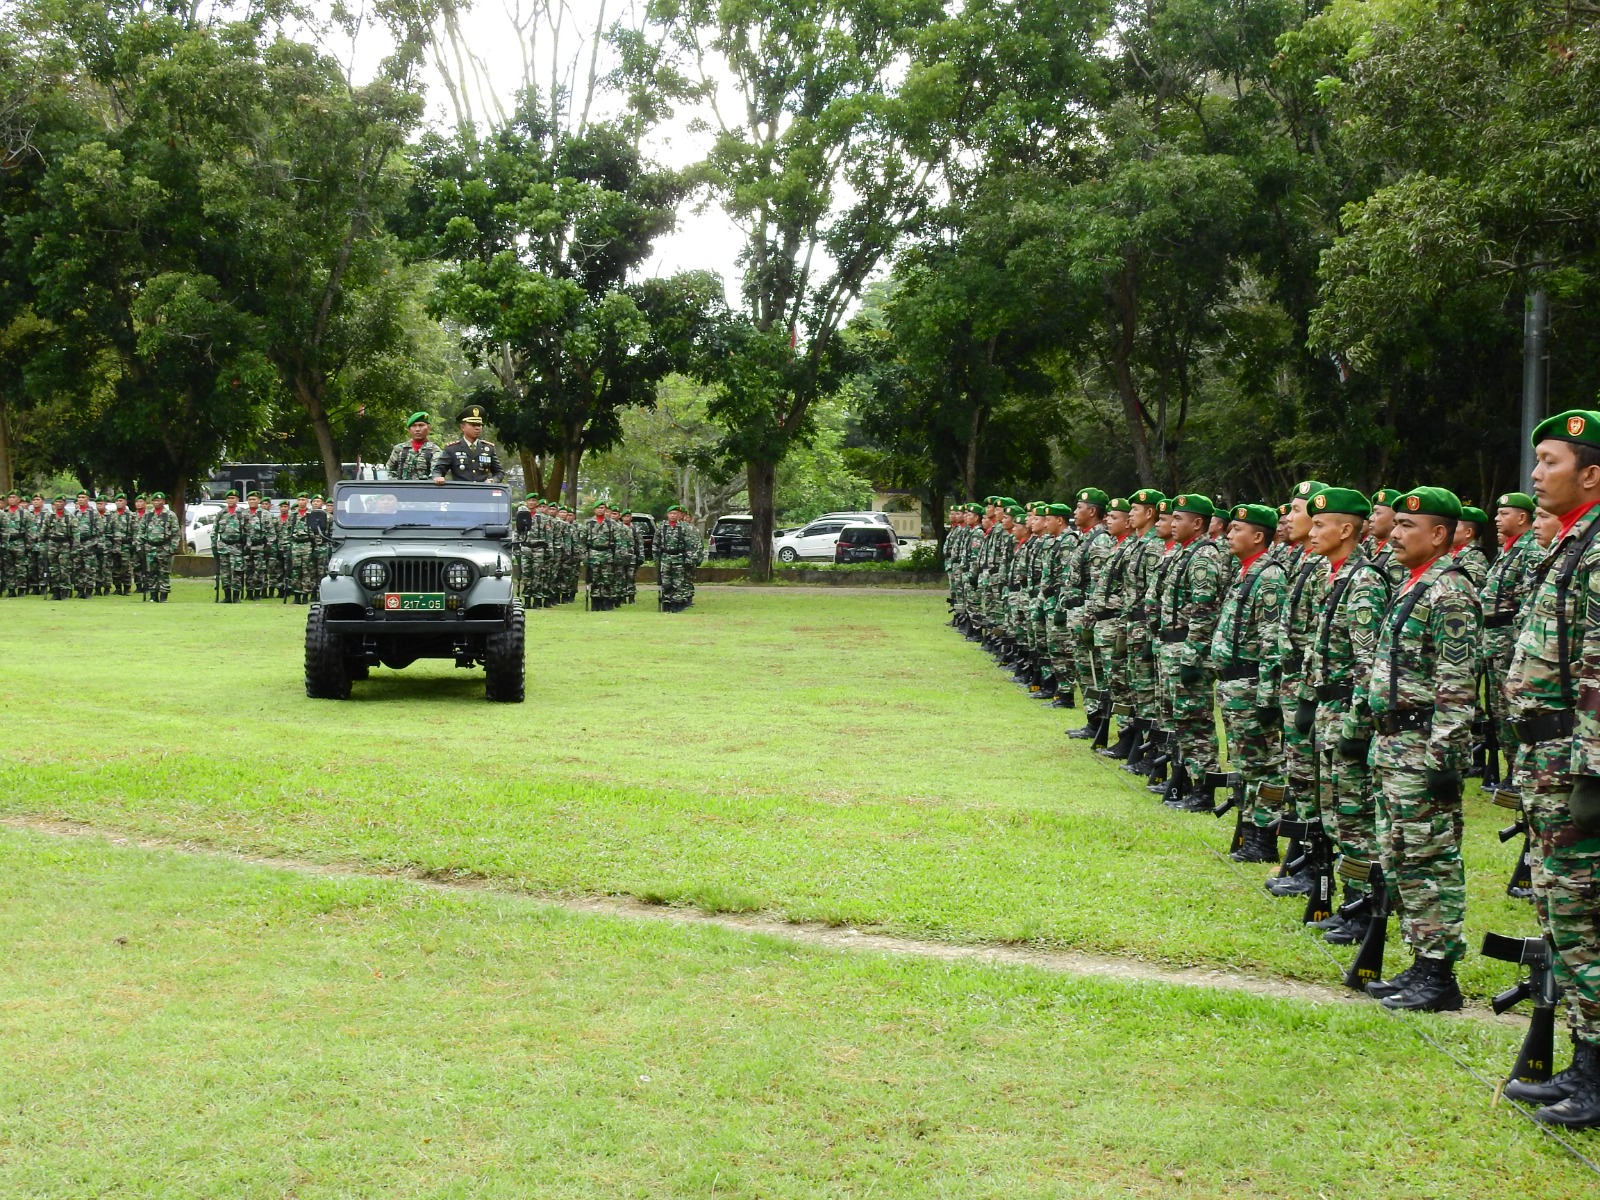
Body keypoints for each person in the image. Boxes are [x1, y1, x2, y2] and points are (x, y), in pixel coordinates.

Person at [1501, 410, 1600, 1126]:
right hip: (1548, 759)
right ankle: (1585, 1060)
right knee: (1563, 916)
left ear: (1591, 474)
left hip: (1574, 763)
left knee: (1586, 919)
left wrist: (1593, 774)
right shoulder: (1571, 543)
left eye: (1551, 461)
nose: (1536, 475)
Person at [1358, 485, 1479, 1013]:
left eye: (1409, 526)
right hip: (1394, 744)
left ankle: (1440, 973)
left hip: (1422, 746)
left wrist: (1444, 759)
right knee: (1400, 855)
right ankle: (1421, 959)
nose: (1396, 533)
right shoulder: (1414, 584)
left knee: (1431, 858)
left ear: (1439, 534)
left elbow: (1457, 684)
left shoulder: (1450, 591)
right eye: (1398, 524)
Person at [1301, 487, 1393, 944]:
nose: (1311, 532)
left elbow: (1368, 664)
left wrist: (1356, 727)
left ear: (1346, 530)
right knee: (1337, 815)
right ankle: (1351, 900)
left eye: (1320, 525)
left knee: (1355, 816)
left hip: (1347, 714)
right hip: (1329, 710)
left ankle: (1365, 908)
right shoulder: (1334, 576)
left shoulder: (1364, 582)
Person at [1209, 503, 1289, 861]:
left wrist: (1268, 698)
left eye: (1237, 530)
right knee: (1246, 763)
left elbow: (1273, 643)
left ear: (1258, 536)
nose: (1229, 534)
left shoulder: (1269, 577)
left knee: (1263, 765)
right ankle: (1250, 831)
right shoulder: (1247, 572)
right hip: (1235, 685)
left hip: (1252, 685)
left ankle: (1264, 838)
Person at [1266, 481, 1330, 897]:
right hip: (1293, 681)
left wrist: (1308, 693)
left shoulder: (1325, 569)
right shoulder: (1303, 560)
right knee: (1299, 775)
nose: (1287, 518)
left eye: (1297, 510)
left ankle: (1314, 863)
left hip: (1311, 688)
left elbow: (1321, 642)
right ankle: (1301, 855)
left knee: (1312, 779)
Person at [1154, 493, 1226, 809]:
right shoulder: (1184, 552)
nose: (1172, 523)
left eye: (1178, 518)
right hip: (1172, 645)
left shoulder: (1203, 556)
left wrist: (1192, 654)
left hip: (1187, 647)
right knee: (1178, 720)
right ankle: (1182, 779)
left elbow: (1204, 610)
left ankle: (1204, 789)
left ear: (1197, 523)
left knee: (1195, 723)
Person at [1480, 492, 1539, 792]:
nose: (1497, 519)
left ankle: (1520, 772)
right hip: (1494, 641)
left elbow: (1528, 601)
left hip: (1508, 642)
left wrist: (1516, 644)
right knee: (1498, 710)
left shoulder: (1530, 551)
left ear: (1522, 517)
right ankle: (1511, 771)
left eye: (1504, 514)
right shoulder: (1508, 550)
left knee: (1512, 708)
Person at [1063, 488, 1115, 744]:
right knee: (1084, 669)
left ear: (1092, 511)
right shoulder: (1087, 538)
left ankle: (1098, 721)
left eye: (1079, 507)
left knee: (1093, 670)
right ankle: (1092, 718)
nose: (1075, 512)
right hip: (1078, 613)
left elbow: (1098, 586)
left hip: (1088, 615)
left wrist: (1089, 621)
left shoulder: (1100, 541)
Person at [433, 405, 504, 483]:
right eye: (473, 425)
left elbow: (499, 472)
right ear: (462, 427)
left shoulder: (488, 449)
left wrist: (493, 480)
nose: (477, 428)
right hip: (461, 489)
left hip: (482, 489)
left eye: (479, 425)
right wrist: (438, 477)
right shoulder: (452, 449)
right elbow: (438, 470)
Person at [657, 503, 704, 611]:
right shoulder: (662, 527)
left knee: (679, 582)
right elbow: (657, 543)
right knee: (666, 582)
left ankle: (678, 603)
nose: (673, 515)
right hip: (666, 558)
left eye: (676, 513)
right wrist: (657, 557)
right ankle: (667, 603)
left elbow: (693, 545)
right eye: (671, 513)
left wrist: (691, 559)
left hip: (680, 558)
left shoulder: (687, 528)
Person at [140, 492, 181, 601]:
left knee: (164, 572)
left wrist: (173, 547)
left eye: (159, 500)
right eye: (154, 500)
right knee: (151, 572)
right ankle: (153, 595)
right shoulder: (148, 515)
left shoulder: (170, 515)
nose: (156, 502)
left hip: (164, 547)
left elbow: (176, 533)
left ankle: (163, 595)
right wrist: (140, 545)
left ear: (163, 501)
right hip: (150, 547)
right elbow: (141, 530)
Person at [386, 412, 443, 480]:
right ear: (409, 430)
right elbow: (389, 470)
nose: (417, 429)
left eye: (421, 425)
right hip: (401, 486)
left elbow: (435, 473)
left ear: (428, 429)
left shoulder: (435, 450)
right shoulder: (399, 449)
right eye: (414, 426)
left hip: (425, 486)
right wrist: (396, 484)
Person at [213, 490, 247, 603]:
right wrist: (214, 546)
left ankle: (236, 596)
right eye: (229, 498)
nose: (230, 500)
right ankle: (227, 596)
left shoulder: (242, 513)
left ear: (237, 499)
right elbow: (215, 530)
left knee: (237, 572)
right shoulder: (221, 513)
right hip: (224, 546)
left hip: (237, 546)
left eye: (233, 498)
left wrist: (247, 546)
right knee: (225, 573)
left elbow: (248, 531)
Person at [41, 495, 75, 600]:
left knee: (64, 569)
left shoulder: (70, 517)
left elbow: (75, 534)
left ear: (65, 503)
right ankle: (55, 591)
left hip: (65, 545)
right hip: (52, 544)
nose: (58, 504)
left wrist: (75, 548)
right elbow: (43, 531)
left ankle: (65, 590)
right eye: (57, 502)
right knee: (53, 569)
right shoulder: (49, 516)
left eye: (61, 502)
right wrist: (42, 545)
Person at [1452, 506, 1491, 588]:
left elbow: (1471, 590)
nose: (1449, 530)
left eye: (1454, 526)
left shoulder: (1474, 558)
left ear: (1468, 532)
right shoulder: (1455, 552)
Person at [104, 494, 136, 595]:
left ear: (125, 502)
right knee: (115, 567)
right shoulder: (111, 515)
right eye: (117, 501)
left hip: (125, 544)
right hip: (113, 544)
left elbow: (135, 531)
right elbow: (107, 529)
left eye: (121, 500)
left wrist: (134, 544)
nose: (119, 502)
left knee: (126, 567)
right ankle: (117, 587)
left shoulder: (131, 515)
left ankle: (127, 587)